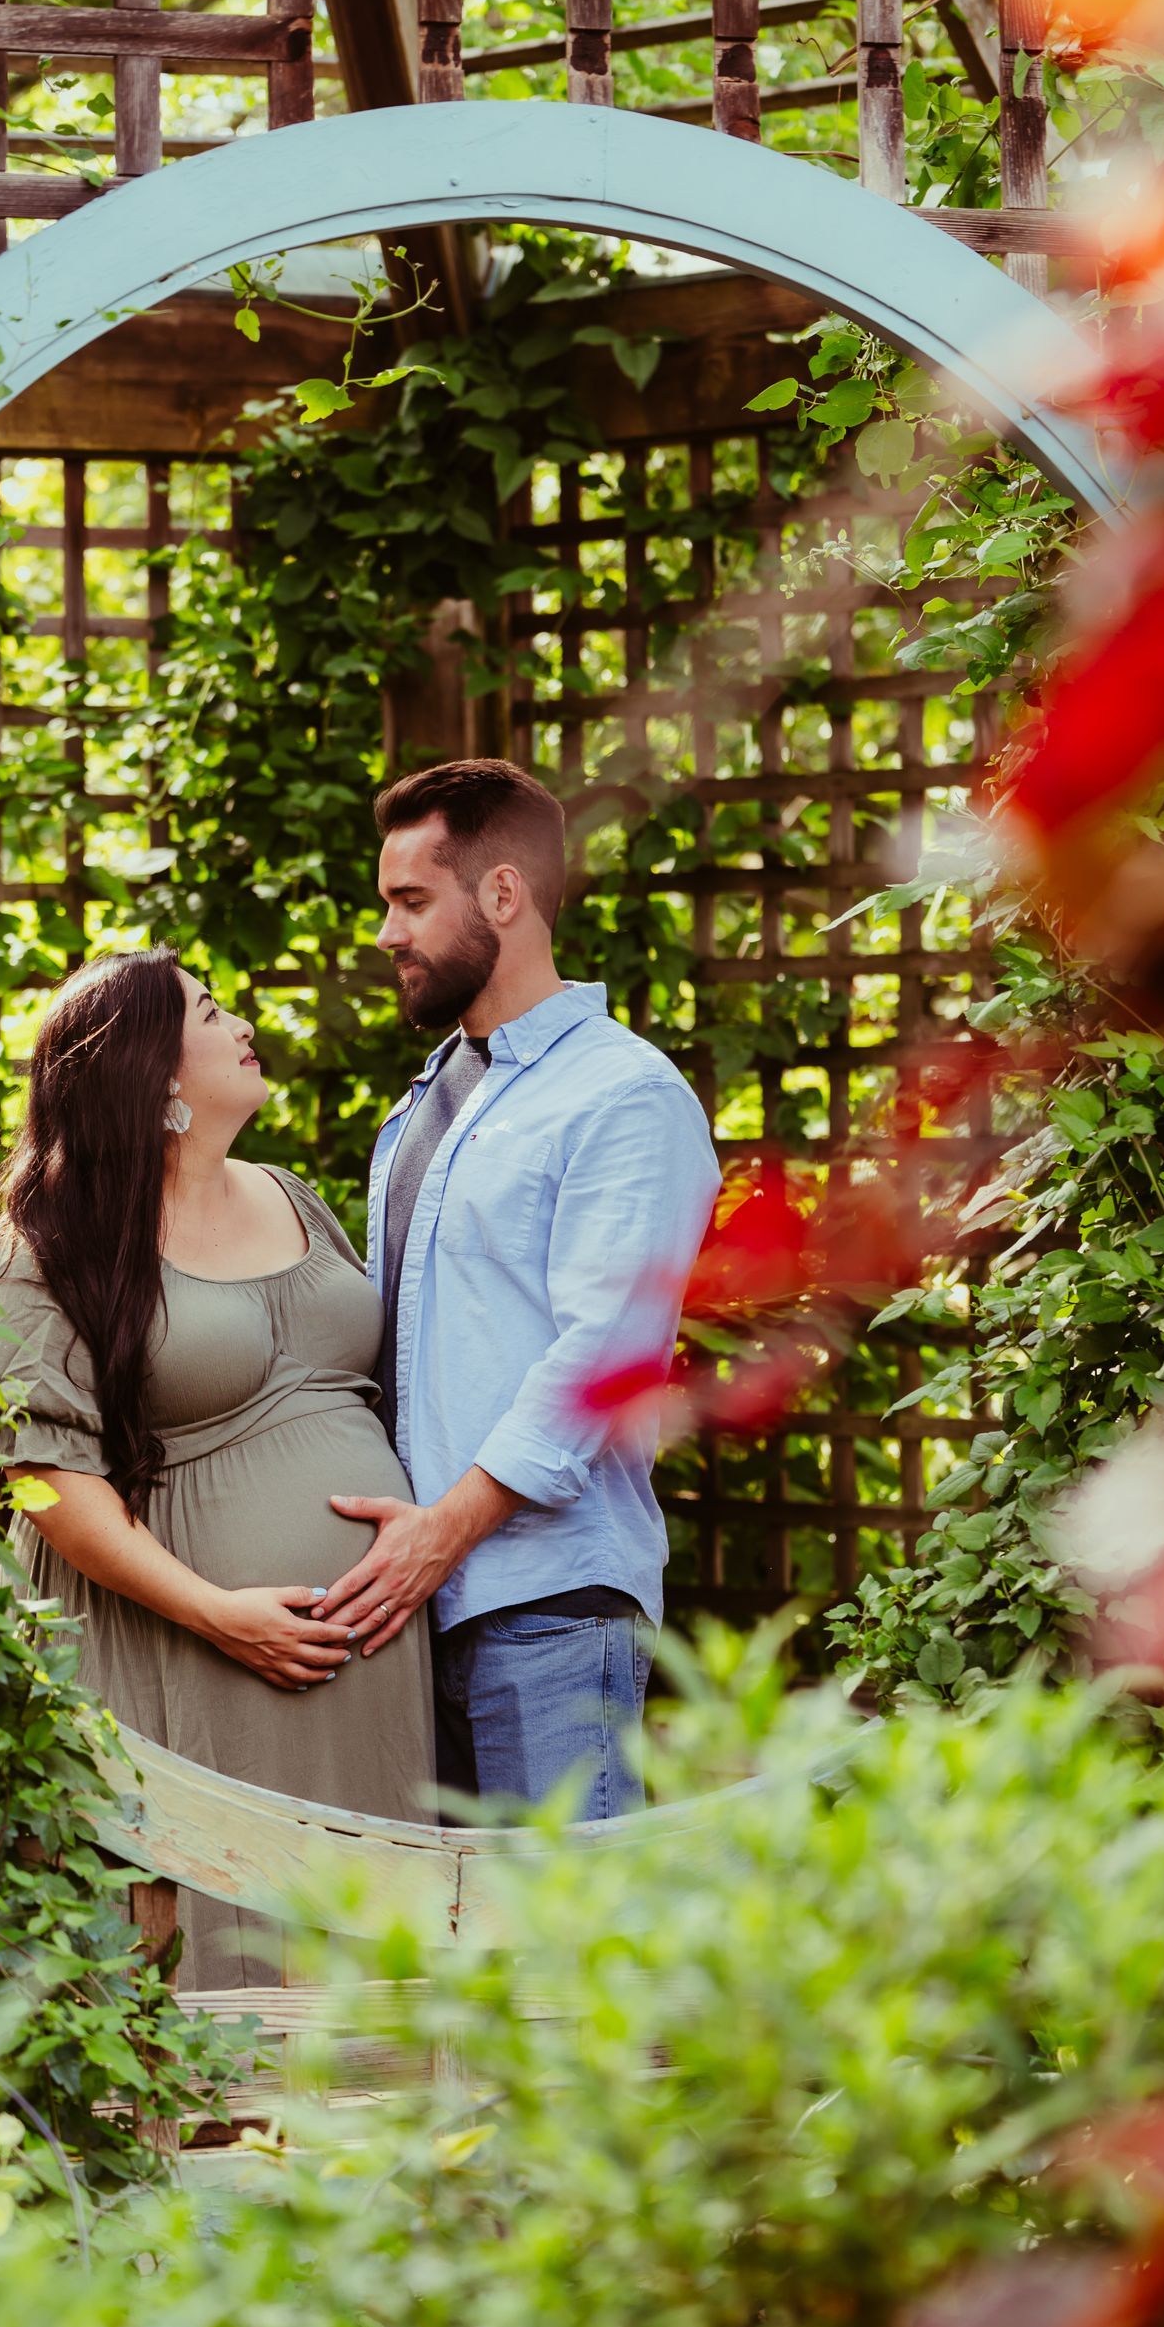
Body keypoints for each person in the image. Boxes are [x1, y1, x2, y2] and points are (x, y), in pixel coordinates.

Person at [0, 946, 433, 1989]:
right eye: (210, 1012)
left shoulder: (294, 1196)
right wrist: (218, 1614)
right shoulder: (49, 1241)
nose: (242, 1023)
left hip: (365, 1658)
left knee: (366, 1976)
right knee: (213, 1953)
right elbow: (40, 1475)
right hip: (190, 1647)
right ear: (153, 1070)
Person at [318, 758, 721, 1817]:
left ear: (503, 893)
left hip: (549, 1609)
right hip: (415, 1614)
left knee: (562, 1924)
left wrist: (442, 1533)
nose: (387, 933)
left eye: (412, 901)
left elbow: (603, 1357)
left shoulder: (623, 1094)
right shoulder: (424, 1103)